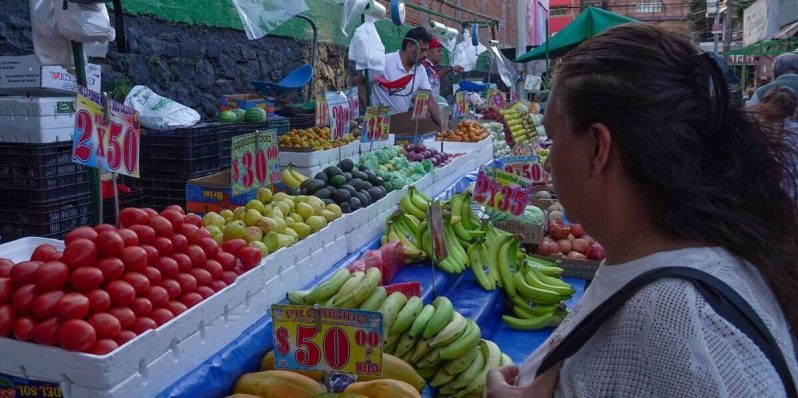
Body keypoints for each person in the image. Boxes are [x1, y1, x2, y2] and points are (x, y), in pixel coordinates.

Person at [485, 24, 798, 397]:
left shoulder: (676, 319)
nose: (548, 160)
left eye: (553, 137)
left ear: (598, 148)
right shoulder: (671, 254)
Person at [355, 27, 446, 131]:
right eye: (422, 50)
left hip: (400, 124)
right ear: (409, 46)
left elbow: (429, 99)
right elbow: (361, 81)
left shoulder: (420, 70)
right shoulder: (384, 62)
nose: (425, 55)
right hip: (377, 126)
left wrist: (442, 126)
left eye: (427, 50)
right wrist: (369, 110)